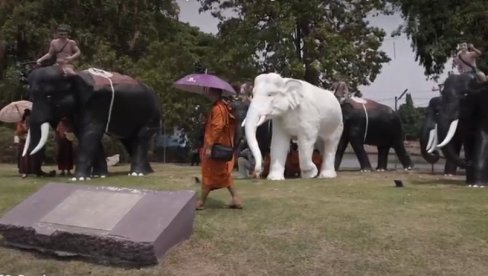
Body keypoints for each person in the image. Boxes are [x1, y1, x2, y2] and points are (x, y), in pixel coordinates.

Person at [197, 87, 243, 210]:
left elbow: (217, 127)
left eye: (210, 92)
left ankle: (201, 202)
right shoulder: (222, 107)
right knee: (223, 174)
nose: (208, 94)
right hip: (221, 145)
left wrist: (210, 146)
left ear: (215, 93)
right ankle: (236, 198)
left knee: (209, 174)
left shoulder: (218, 108)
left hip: (216, 146)